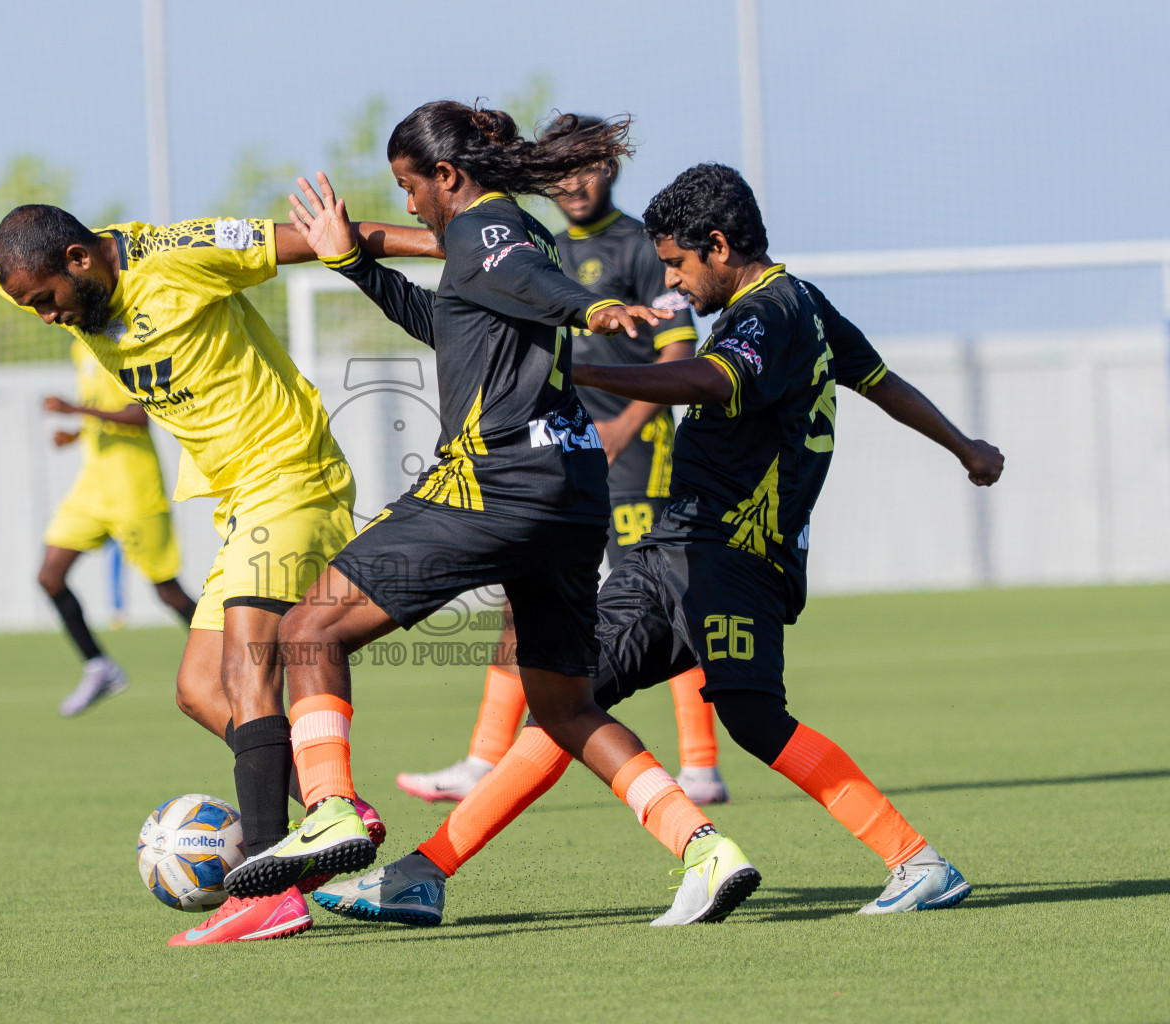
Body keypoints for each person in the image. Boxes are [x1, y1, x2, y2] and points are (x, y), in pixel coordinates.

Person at [316, 163, 1004, 927]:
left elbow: (710, 381)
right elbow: (879, 380)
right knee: (593, 706)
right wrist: (964, 444)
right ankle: (426, 871)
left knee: (689, 716)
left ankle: (886, 859)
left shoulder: (764, 313)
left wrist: (570, 365)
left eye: (678, 262)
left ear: (717, 245)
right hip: (708, 556)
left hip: (711, 555)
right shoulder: (807, 303)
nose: (674, 281)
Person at [0, 180, 438, 944]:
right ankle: (326, 804)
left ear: (80, 257)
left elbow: (315, 240)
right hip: (241, 501)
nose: (48, 315)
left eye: (49, 299)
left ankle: (267, 887)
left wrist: (449, 245)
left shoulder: (180, 255)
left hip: (290, 476)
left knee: (251, 666)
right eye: (32, 305)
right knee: (196, 688)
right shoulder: (43, 273)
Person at [223, 104, 763, 930]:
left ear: (449, 176)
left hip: (496, 482)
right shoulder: (519, 233)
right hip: (573, 495)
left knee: (307, 632)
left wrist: (591, 310)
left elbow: (528, 285)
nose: (407, 206)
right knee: (566, 707)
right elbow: (453, 324)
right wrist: (351, 266)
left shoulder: (488, 231)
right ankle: (705, 846)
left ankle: (330, 806)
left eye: (410, 186)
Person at [395, 116, 727, 807]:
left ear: (610, 171)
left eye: (591, 170)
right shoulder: (538, 241)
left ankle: (701, 764)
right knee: (527, 606)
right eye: (567, 174)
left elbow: (677, 351)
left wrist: (625, 429)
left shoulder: (638, 244)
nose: (576, 186)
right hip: (557, 445)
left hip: (633, 453)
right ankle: (484, 758)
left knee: (664, 600)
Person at [39, 338, 198, 716]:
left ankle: (235, 657)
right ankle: (100, 667)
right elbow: (103, 412)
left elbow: (141, 416)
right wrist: (76, 434)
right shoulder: (79, 348)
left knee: (167, 590)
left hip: (134, 491)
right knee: (50, 576)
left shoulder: (124, 346)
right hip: (93, 489)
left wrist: (71, 408)